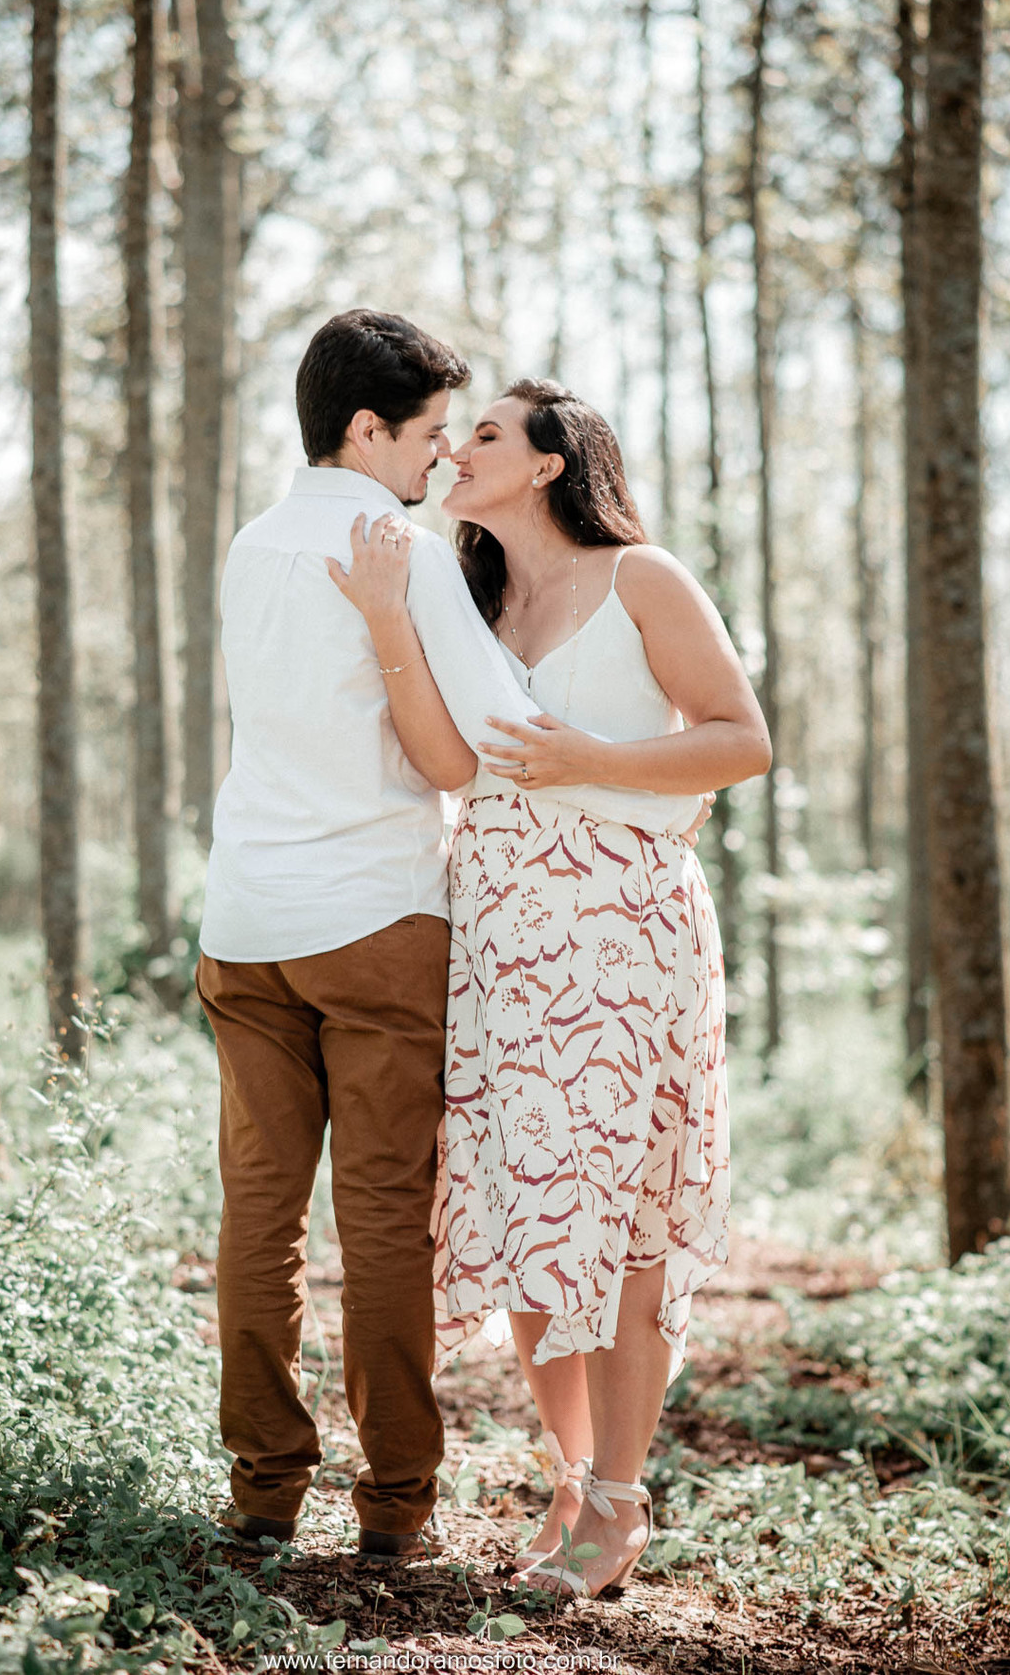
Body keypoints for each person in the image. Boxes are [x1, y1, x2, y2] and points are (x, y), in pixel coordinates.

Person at [196, 314, 705, 1561]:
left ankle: (263, 1493)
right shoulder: (405, 554)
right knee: (379, 1221)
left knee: (257, 1218)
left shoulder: (250, 548)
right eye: (428, 433)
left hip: (242, 921)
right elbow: (493, 742)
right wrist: (649, 778)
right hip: (372, 924)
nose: (436, 461)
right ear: (366, 429)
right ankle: (394, 1513)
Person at [331, 377, 770, 1597]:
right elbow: (443, 754)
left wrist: (598, 757)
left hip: (627, 936)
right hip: (503, 943)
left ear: (546, 464)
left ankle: (621, 1502)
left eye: (482, 434)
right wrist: (384, 618)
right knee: (529, 1217)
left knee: (623, 1222)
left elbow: (743, 737)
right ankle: (576, 1481)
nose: (455, 450)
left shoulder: (644, 580)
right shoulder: (467, 595)